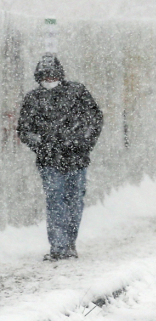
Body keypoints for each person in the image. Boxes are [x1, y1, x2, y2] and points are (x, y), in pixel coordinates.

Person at [17, 54, 103, 261]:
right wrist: (43, 145)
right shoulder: (33, 99)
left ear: (60, 74)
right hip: (49, 160)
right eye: (44, 75)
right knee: (55, 200)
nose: (49, 78)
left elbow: (94, 120)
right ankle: (58, 247)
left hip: (77, 158)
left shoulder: (77, 92)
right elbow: (25, 130)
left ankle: (69, 242)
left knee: (74, 201)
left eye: (52, 74)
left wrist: (82, 142)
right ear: (38, 76)